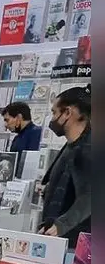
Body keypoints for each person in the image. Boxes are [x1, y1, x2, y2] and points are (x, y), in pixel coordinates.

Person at [39, 86, 91, 247]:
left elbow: (92, 196)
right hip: (62, 239)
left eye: (55, 112)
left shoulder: (88, 148)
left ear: (68, 113)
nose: (53, 118)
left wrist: (61, 225)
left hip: (76, 243)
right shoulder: (71, 146)